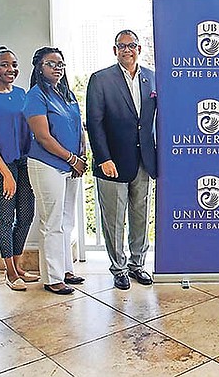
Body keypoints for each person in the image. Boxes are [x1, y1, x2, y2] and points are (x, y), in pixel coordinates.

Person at [85, 30, 157, 290]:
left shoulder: (152, 78)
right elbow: (94, 123)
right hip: (112, 162)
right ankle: (119, 268)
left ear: (139, 49)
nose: (127, 50)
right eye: (122, 46)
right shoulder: (100, 79)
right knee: (114, 219)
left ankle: (138, 264)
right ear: (114, 50)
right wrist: (103, 157)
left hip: (143, 160)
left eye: (132, 45)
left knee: (140, 214)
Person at [23, 46, 87, 295]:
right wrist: (72, 158)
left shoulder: (66, 93)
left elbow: (78, 127)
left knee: (67, 220)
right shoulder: (36, 96)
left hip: (71, 164)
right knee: (52, 221)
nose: (57, 67)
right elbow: (43, 137)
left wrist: (81, 155)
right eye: (51, 63)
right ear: (39, 67)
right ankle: (52, 277)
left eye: (60, 63)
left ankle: (66, 270)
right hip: (47, 164)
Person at [0, 46, 38, 291]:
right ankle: (10, 272)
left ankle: (19, 264)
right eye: (3, 64)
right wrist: (5, 173)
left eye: (12, 64)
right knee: (6, 215)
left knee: (26, 213)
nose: (9, 69)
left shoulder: (22, 93)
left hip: (23, 161)